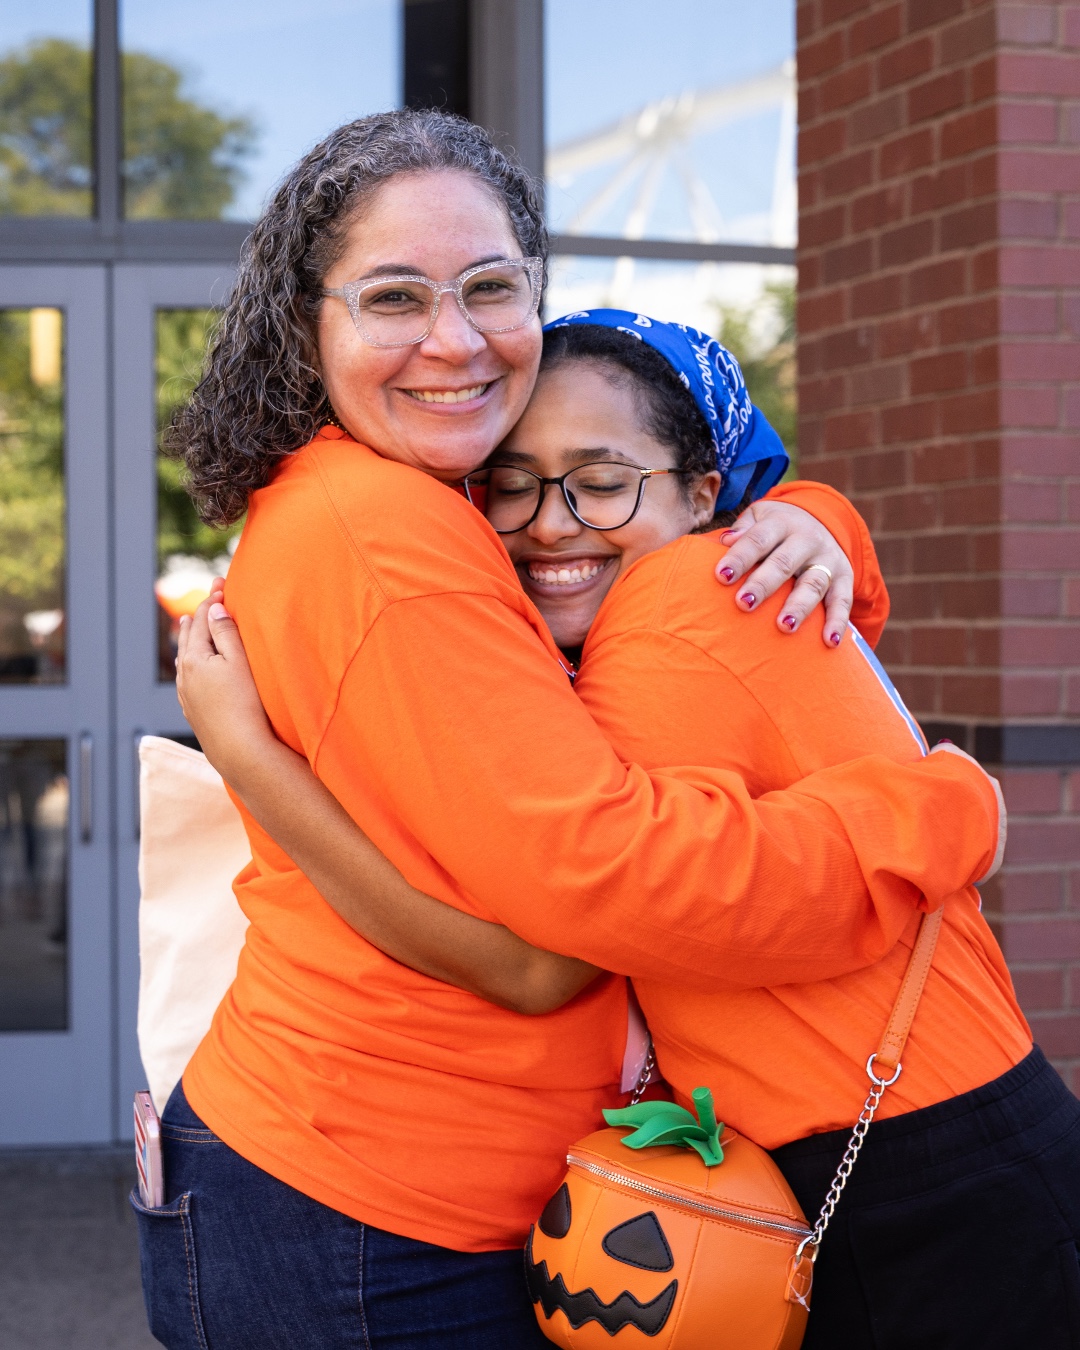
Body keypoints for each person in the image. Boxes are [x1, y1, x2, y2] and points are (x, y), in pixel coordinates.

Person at [152, 108, 1004, 1350]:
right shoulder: (393, 538)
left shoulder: (446, 492)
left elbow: (714, 520)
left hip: (427, 1196)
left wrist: (822, 521)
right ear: (307, 321)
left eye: (489, 287)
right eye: (393, 297)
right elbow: (563, 935)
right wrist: (939, 814)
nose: (452, 338)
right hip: (366, 1204)